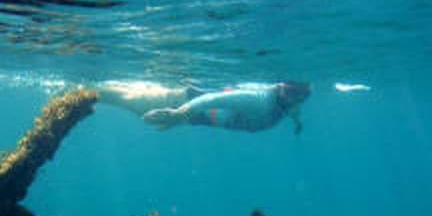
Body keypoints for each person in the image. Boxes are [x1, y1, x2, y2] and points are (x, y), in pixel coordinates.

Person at [96, 80, 311, 134]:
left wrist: (298, 122)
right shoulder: (259, 100)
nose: (295, 97)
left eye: (302, 95)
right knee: (128, 101)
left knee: (134, 107)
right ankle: (92, 92)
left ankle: (95, 93)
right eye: (291, 91)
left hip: (196, 116)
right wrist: (179, 113)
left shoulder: (287, 104)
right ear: (282, 87)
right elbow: (212, 100)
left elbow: (293, 109)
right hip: (184, 101)